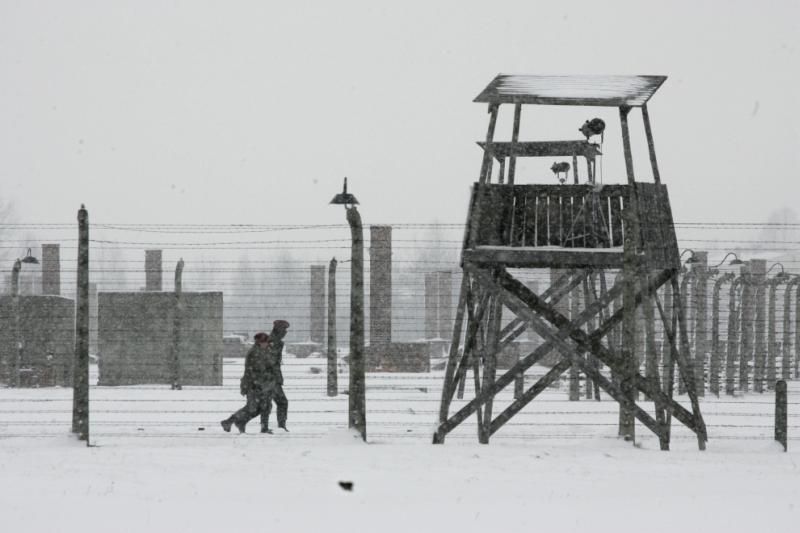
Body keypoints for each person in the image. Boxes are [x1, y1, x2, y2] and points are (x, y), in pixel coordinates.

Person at [220, 332, 277, 434]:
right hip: (255, 384)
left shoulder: (265, 351)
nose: (266, 343)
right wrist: (255, 383)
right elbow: (252, 370)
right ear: (258, 342)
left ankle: (245, 423)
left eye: (266, 342)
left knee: (265, 406)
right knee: (253, 408)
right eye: (263, 342)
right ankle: (230, 421)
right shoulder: (255, 352)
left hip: (265, 384)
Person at [266, 319, 290, 431]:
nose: (285, 332)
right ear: (278, 329)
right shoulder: (272, 342)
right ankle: (280, 426)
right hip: (270, 378)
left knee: (264, 405)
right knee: (281, 402)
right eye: (284, 329)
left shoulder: (276, 342)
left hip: (272, 378)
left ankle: (279, 426)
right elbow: (270, 362)